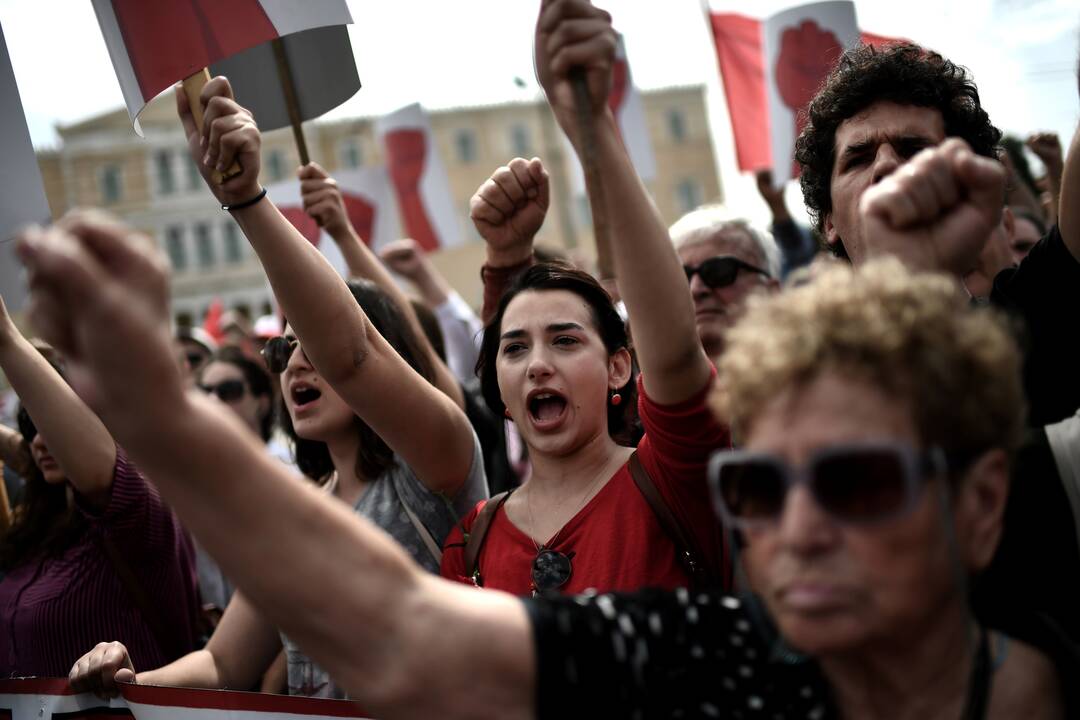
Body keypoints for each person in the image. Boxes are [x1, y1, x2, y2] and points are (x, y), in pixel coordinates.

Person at [34, 4, 1080, 711]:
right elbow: (401, 631)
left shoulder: (1045, 676)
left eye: (854, 481)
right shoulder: (724, 658)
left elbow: (677, 357)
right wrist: (158, 418)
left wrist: (594, 137)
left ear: (982, 504)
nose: (795, 531)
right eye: (756, 487)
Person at [0, 290, 199, 677]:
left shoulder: (143, 512)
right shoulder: (36, 523)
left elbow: (96, 473)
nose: (43, 438)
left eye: (59, 424)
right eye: (32, 425)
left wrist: (6, 338)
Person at [669, 205, 781, 359]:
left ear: (771, 291)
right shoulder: (649, 381)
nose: (695, 289)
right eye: (681, 278)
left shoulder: (815, 374)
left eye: (719, 271)